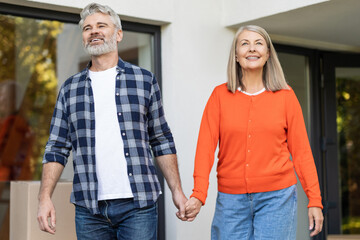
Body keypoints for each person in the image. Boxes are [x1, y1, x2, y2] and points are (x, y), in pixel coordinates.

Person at [37, 3, 187, 239]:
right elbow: (57, 147)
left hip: (139, 205)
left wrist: (177, 191)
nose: (93, 31)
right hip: (89, 208)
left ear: (118, 34)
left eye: (101, 25)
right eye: (87, 28)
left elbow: (161, 139)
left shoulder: (144, 80)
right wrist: (44, 197)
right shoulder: (70, 88)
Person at [185, 25, 324, 239]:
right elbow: (205, 149)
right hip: (230, 200)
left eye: (259, 43)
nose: (252, 49)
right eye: (244, 44)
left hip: (277, 199)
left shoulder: (286, 96)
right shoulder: (219, 96)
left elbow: (302, 152)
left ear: (268, 54)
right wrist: (199, 194)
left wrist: (314, 199)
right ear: (236, 56)